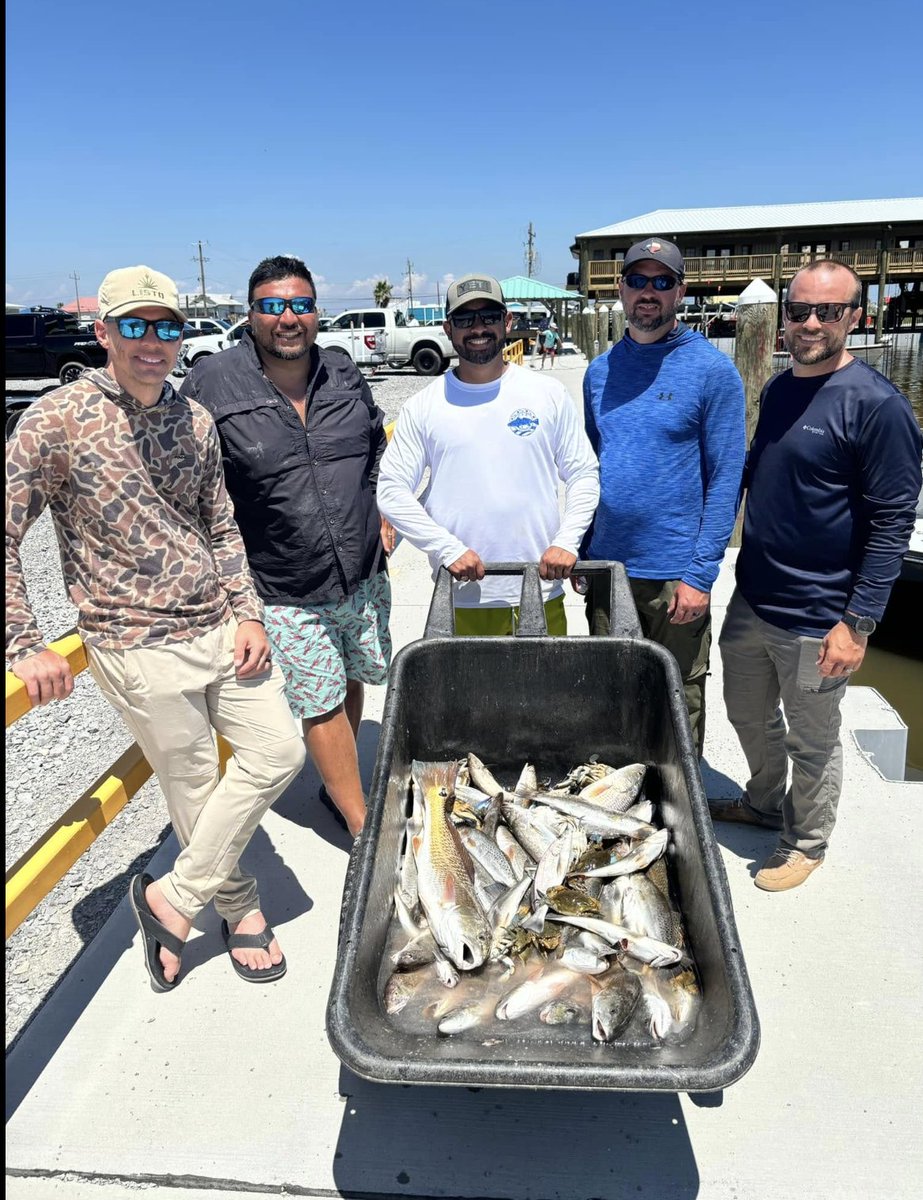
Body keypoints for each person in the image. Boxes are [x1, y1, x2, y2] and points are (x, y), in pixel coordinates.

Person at [5, 265, 306, 992]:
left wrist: (246, 610)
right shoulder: (55, 420)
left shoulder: (193, 418)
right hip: (132, 641)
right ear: (104, 333)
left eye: (166, 326)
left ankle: (170, 897)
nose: (152, 342)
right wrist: (24, 641)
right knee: (197, 787)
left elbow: (220, 522)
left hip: (216, 627)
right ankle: (240, 912)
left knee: (278, 751)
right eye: (134, 326)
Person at [712, 260, 921, 891]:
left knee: (813, 737)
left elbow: (892, 525)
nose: (809, 323)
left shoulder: (877, 407)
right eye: (798, 310)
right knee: (746, 711)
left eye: (826, 311)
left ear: (853, 318)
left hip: (821, 612)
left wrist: (857, 623)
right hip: (754, 595)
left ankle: (805, 840)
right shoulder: (779, 388)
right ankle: (763, 800)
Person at [181, 256, 392, 838]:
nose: (288, 318)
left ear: (317, 313)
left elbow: (376, 447)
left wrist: (384, 512)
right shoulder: (212, 382)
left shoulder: (344, 371)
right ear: (250, 315)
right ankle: (361, 822)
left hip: (361, 568)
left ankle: (335, 786)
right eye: (272, 306)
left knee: (351, 676)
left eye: (300, 304)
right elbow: (190, 482)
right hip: (281, 581)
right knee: (317, 697)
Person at [580, 238, 746, 757]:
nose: (647, 293)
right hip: (610, 569)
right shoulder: (598, 372)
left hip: (677, 574)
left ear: (680, 291)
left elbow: (726, 479)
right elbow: (587, 469)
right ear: (620, 290)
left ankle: (679, 811)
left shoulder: (714, 371)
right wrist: (585, 550)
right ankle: (616, 795)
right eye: (637, 280)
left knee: (678, 696)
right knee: (613, 691)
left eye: (661, 281)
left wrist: (700, 576)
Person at [377, 273, 599, 635]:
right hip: (460, 595)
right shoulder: (424, 406)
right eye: (465, 319)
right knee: (464, 693)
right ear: (448, 328)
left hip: (539, 589)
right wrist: (446, 549)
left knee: (545, 693)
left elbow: (584, 473)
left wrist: (566, 541)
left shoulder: (548, 393)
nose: (478, 328)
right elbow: (390, 491)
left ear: (507, 322)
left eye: (489, 317)